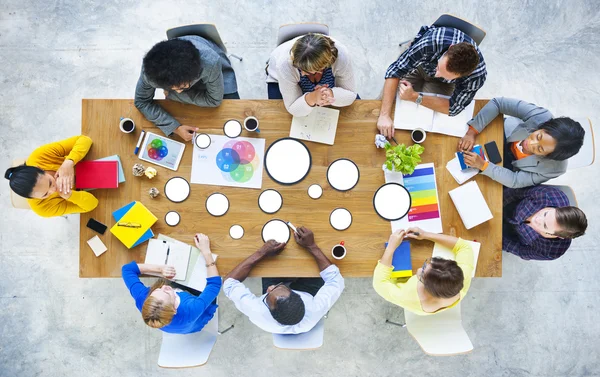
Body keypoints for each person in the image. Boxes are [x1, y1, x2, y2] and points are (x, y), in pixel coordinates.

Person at [223, 226, 344, 334]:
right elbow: (336, 280)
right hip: (308, 291)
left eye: (268, 293)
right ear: (297, 295)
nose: (270, 287)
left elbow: (228, 283)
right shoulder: (315, 308)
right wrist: (311, 246)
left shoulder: (257, 311)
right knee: (313, 269)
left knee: (270, 264)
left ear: (268, 309)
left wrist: (262, 252)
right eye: (276, 287)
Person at [377, 25, 486, 138]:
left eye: (446, 75)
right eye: (439, 67)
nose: (437, 74)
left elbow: (453, 107)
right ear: (450, 48)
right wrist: (384, 115)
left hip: (442, 84)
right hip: (420, 64)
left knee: (422, 125)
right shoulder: (431, 42)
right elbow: (395, 71)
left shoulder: (476, 77)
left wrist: (414, 96)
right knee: (383, 107)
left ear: (466, 75)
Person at [458, 97, 585, 188]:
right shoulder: (541, 116)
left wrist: (484, 166)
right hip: (506, 133)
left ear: (549, 156)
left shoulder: (555, 169)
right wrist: (472, 132)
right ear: (545, 125)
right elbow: (498, 103)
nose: (530, 144)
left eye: (540, 149)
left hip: (511, 166)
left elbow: (515, 180)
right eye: (538, 136)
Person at [135, 37, 239, 141]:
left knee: (235, 115)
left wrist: (171, 94)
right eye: (172, 88)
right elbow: (141, 102)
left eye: (183, 87)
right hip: (184, 68)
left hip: (217, 73)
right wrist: (175, 128)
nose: (179, 92)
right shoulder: (149, 73)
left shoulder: (210, 62)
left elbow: (214, 100)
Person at [121, 234, 221, 333]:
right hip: (195, 321)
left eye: (158, 290)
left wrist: (159, 269)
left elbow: (127, 270)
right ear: (174, 310)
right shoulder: (191, 309)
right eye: (167, 292)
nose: (165, 286)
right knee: (208, 292)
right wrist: (206, 252)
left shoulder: (143, 299)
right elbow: (214, 285)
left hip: (176, 325)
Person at [373, 227, 474, 315]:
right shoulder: (461, 278)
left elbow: (379, 284)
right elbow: (465, 247)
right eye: (427, 264)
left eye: (421, 276)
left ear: (428, 288)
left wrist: (391, 247)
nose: (419, 269)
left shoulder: (408, 297)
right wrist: (425, 234)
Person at [4, 135, 98, 217]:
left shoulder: (39, 156)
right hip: (91, 194)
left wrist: (68, 162)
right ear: (33, 199)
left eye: (49, 183)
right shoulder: (42, 208)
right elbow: (93, 204)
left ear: (40, 168)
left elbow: (85, 140)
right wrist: (70, 195)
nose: (53, 190)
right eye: (45, 194)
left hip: (92, 162)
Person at [266, 33, 357, 116]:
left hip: (324, 74)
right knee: (278, 115)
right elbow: (292, 107)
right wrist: (312, 98)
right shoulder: (284, 65)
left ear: (323, 66)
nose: (302, 73)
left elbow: (351, 94)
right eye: (299, 68)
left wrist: (330, 93)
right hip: (279, 78)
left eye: (308, 71)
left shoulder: (342, 56)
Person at [503, 186, 587, 261]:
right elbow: (516, 192)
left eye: (545, 225)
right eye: (545, 214)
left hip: (508, 235)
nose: (537, 219)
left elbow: (520, 250)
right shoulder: (549, 195)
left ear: (558, 236)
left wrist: (496, 237)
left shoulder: (550, 251)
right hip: (506, 205)